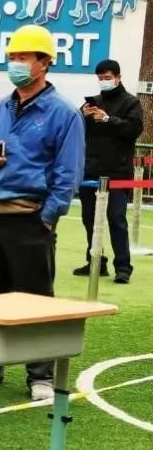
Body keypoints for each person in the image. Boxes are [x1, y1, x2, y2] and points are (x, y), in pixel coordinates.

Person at [0, 25, 84, 401]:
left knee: (34, 296)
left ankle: (40, 375)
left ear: (44, 63)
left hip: (30, 216)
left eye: (23, 57)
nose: (15, 63)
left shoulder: (63, 114)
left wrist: (48, 216)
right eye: (12, 57)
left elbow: (69, 173)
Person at [74, 59, 143, 284]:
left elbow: (133, 129)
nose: (104, 81)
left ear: (118, 77)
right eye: (101, 78)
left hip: (118, 172)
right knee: (89, 219)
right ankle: (96, 261)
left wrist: (108, 119)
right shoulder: (93, 102)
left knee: (116, 219)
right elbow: (74, 128)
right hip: (91, 170)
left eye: (108, 77)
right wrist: (81, 115)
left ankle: (123, 267)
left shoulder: (131, 102)